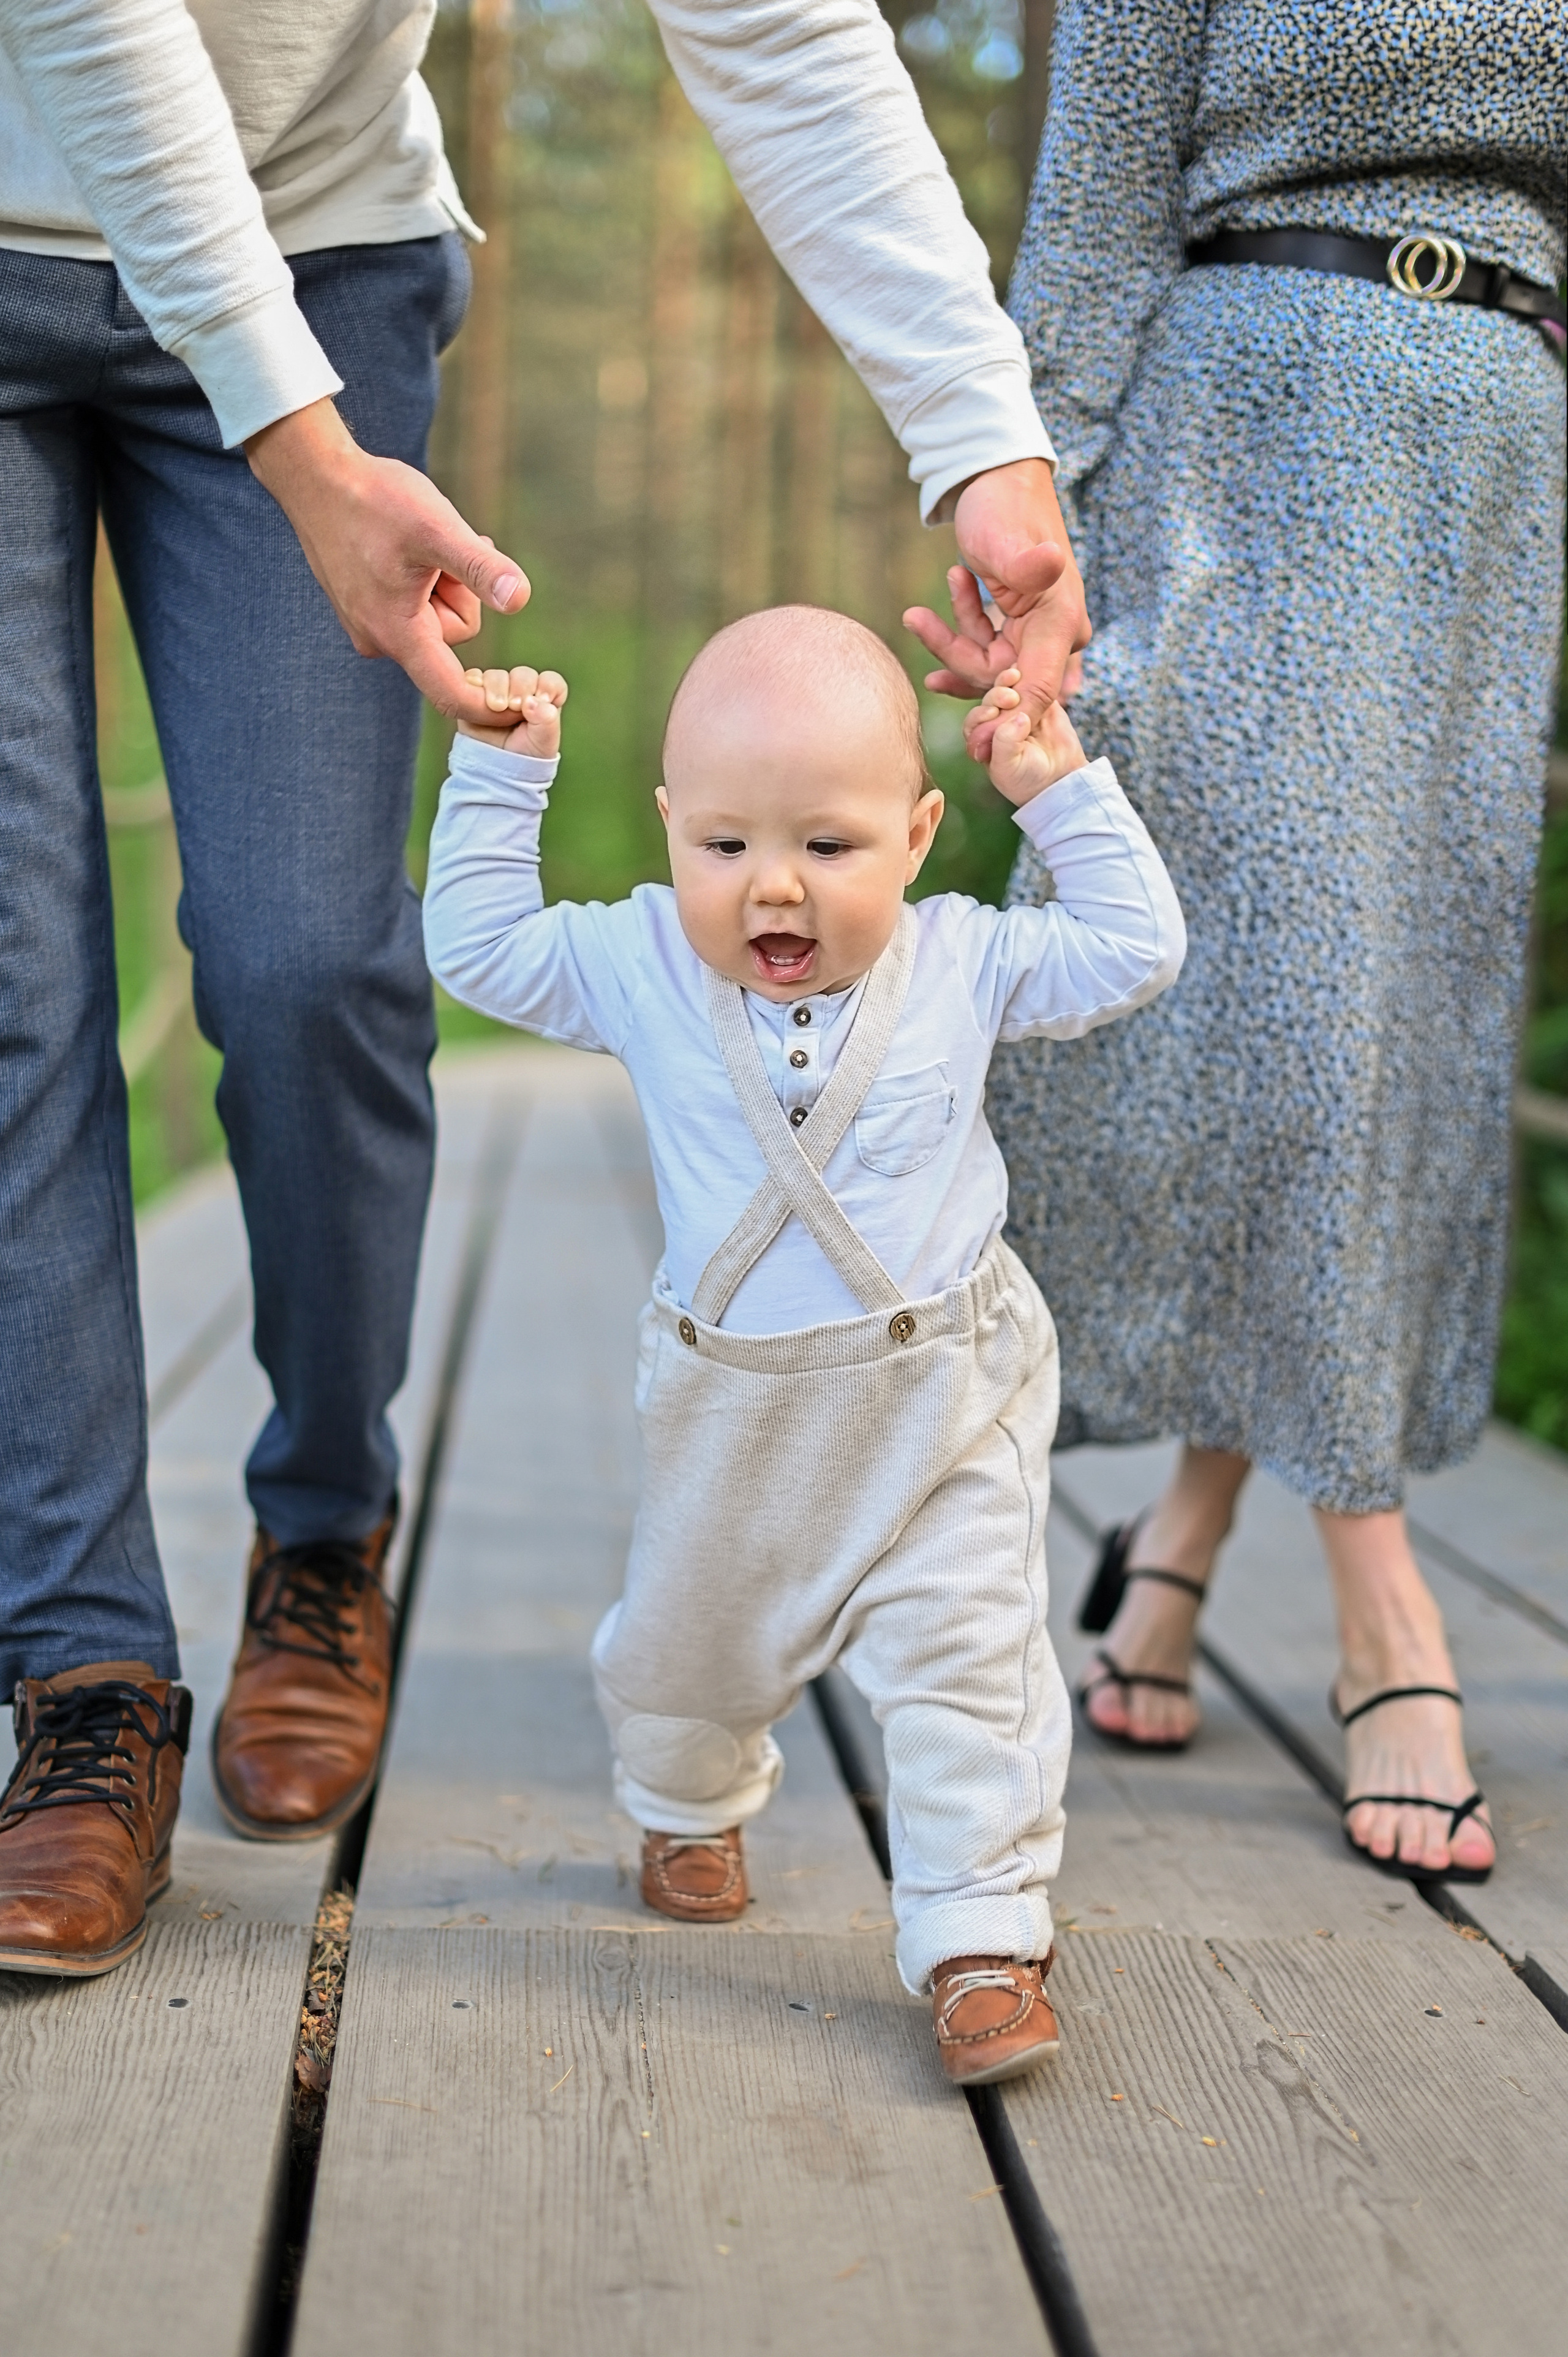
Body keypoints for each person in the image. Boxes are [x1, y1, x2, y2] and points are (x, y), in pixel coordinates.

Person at [0, 0, 1091, 1977]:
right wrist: (303, 451)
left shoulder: (942, 953)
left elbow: (771, 21)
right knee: (12, 976)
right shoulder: (650, 949)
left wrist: (983, 443)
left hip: (319, 241)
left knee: (307, 949)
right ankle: (82, 1659)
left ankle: (326, 1521)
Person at [909, 0, 1566, 1883]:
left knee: (1391, 1019)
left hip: (1490, 475)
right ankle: (1384, 1603)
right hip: (1231, 455)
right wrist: (1030, 544)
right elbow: (1096, 209)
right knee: (1246, 990)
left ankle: (1182, 1541)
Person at [420, 605, 1185, 2083]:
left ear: (911, 835)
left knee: (969, 1661)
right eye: (723, 848)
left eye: (827, 848)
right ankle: (688, 1801)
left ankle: (977, 1931)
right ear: (667, 832)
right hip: (734, 1413)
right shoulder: (643, 962)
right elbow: (480, 952)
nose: (772, 885)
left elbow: (1132, 949)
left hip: (940, 1400)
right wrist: (501, 778)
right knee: (688, 1656)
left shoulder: (965, 964)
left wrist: (1056, 787)